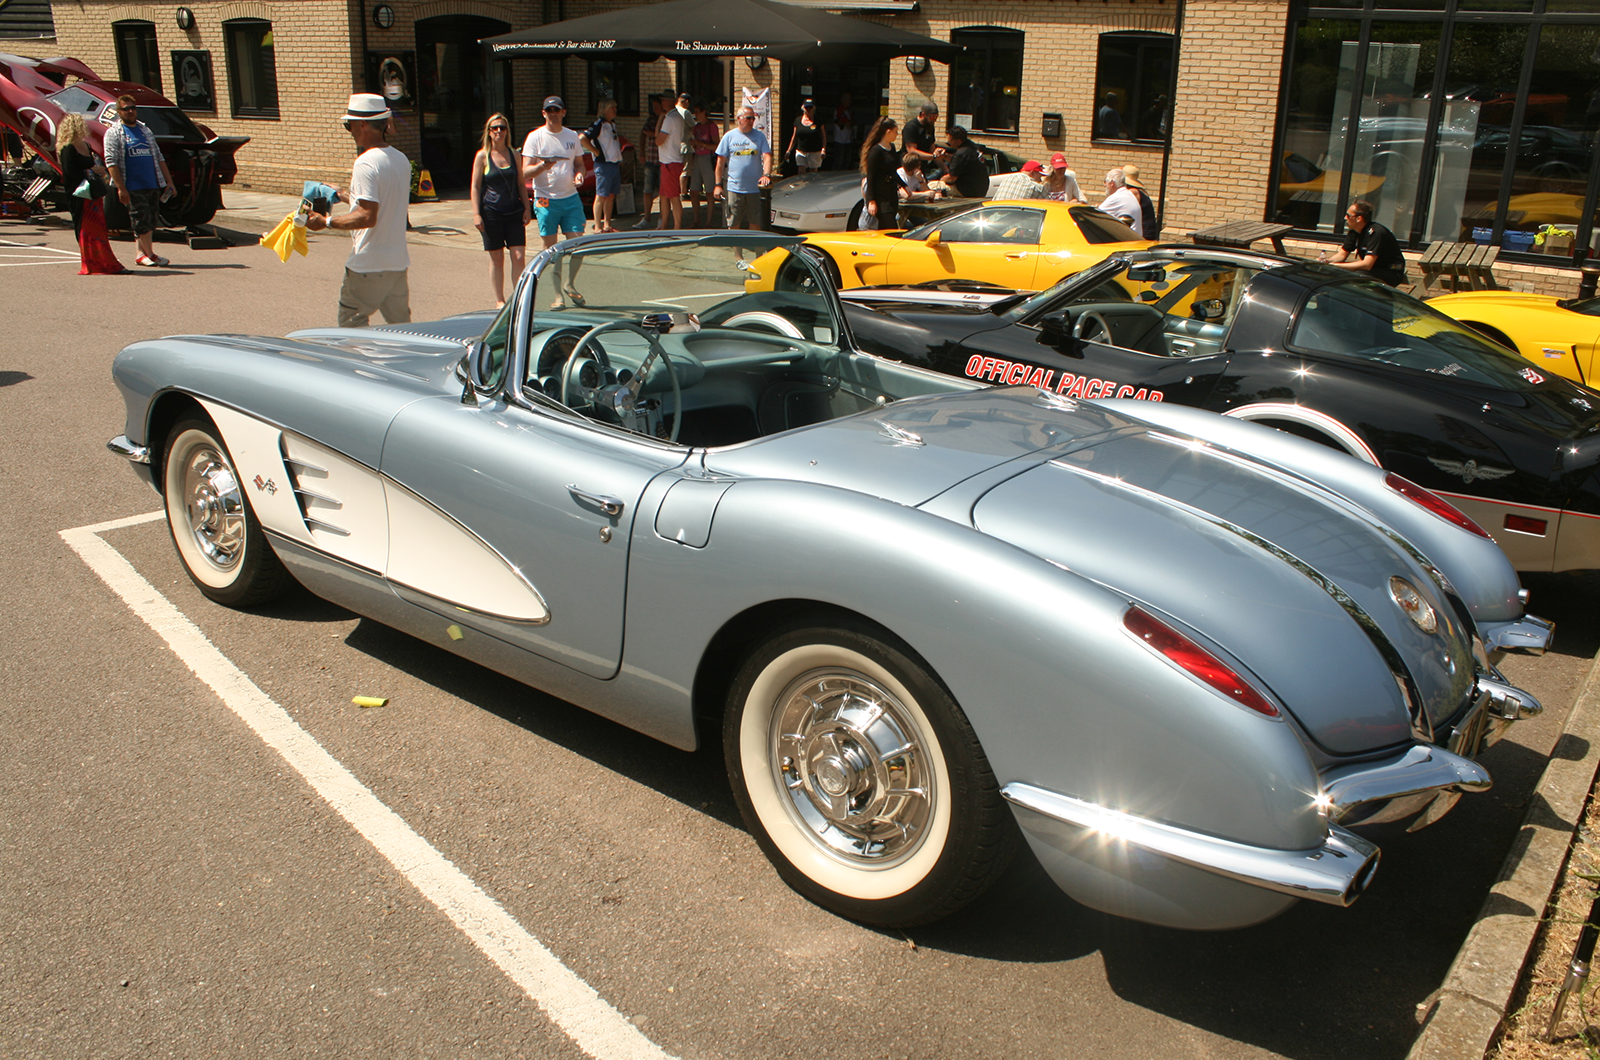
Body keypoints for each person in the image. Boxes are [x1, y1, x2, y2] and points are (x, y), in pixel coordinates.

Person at [305, 94, 412, 327]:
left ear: (362, 124)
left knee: (351, 327)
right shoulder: (400, 159)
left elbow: (367, 216)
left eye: (349, 125)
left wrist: (326, 222)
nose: (350, 131)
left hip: (368, 264)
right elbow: (382, 203)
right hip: (396, 263)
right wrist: (342, 194)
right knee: (403, 330)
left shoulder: (365, 162)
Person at [522, 96, 587, 307]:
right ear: (543, 113)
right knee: (552, 249)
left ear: (563, 112)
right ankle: (558, 296)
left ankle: (570, 284)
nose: (553, 114)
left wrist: (579, 175)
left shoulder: (572, 136)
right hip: (545, 199)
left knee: (578, 245)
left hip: (570, 198)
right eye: (549, 111)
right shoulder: (535, 137)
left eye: (556, 110)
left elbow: (580, 164)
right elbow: (525, 172)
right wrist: (543, 166)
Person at [103, 94, 176, 267]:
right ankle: (149, 254)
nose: (130, 111)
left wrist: (169, 182)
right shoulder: (114, 133)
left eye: (132, 108)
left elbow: (159, 157)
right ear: (118, 111)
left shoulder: (145, 130)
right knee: (140, 219)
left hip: (152, 182)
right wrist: (121, 188)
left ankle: (141, 254)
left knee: (150, 219)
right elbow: (111, 162)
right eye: (126, 109)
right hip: (132, 184)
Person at [470, 112, 532, 309]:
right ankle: (499, 300)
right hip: (491, 213)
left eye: (502, 128)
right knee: (497, 258)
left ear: (507, 131)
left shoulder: (514, 154)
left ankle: (518, 298)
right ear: (489, 132)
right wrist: (476, 213)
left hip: (514, 212)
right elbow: (475, 186)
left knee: (519, 256)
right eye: (495, 128)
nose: (499, 131)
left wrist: (527, 208)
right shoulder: (482, 156)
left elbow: (521, 183)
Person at [55, 113, 124, 274]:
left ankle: (104, 261)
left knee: (98, 227)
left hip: (92, 192)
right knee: (86, 227)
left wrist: (95, 170)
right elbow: (69, 173)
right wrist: (92, 170)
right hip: (79, 193)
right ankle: (92, 263)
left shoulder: (86, 145)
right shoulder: (67, 148)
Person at [1323, 200, 1409, 286]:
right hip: (1372, 270)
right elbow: (1342, 255)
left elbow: (1367, 264)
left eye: (1348, 215)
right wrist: (1326, 261)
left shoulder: (1376, 232)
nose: (1345, 218)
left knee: (1357, 275)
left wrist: (1335, 266)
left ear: (1359, 219)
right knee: (1329, 273)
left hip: (1390, 272)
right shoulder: (1354, 231)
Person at [713, 106, 772, 231]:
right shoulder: (729, 136)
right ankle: (737, 245)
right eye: (748, 118)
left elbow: (767, 156)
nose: (751, 121)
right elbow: (720, 162)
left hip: (754, 189)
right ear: (739, 118)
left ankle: (754, 244)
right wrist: (718, 185)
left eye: (753, 118)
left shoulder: (759, 136)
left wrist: (766, 175)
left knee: (756, 223)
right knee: (733, 224)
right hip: (735, 188)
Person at [580, 98, 624, 233]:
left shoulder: (613, 124)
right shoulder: (598, 124)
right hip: (604, 165)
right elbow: (582, 138)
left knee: (611, 196)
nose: (615, 110)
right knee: (601, 196)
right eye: (612, 108)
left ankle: (607, 224)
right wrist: (595, 151)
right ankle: (597, 226)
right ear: (605, 109)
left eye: (616, 107)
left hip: (614, 164)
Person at [655, 91, 688, 230]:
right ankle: (664, 224)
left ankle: (677, 227)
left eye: (665, 100)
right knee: (663, 195)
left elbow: (658, 140)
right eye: (662, 100)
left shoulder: (670, 118)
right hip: (669, 161)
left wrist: (659, 121)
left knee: (674, 196)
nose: (663, 102)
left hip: (670, 162)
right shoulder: (675, 116)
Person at [860, 116, 900, 230]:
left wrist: (905, 186)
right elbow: (871, 177)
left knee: (884, 228)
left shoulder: (892, 148)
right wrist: (871, 201)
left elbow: (893, 171)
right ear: (888, 132)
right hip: (880, 196)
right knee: (891, 228)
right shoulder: (876, 151)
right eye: (895, 132)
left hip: (891, 194)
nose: (897, 135)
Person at [684, 99, 719, 227]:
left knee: (709, 192)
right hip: (697, 158)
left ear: (704, 112)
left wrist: (701, 144)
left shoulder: (711, 126)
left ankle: (708, 221)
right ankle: (696, 219)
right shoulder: (697, 127)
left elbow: (717, 146)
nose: (696, 114)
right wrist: (694, 144)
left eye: (698, 111)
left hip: (708, 159)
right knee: (693, 191)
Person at [635, 94, 664, 229]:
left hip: (663, 161)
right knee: (647, 190)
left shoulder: (667, 120)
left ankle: (662, 219)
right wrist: (641, 152)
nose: (655, 110)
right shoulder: (651, 119)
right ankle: (646, 218)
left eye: (657, 107)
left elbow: (659, 135)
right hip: (651, 159)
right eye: (654, 107)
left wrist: (653, 134)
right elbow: (643, 133)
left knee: (663, 192)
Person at [942, 126, 989, 199]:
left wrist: (941, 179)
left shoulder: (961, 153)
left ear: (958, 141)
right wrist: (944, 156)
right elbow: (959, 160)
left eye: (950, 141)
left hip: (967, 191)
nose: (949, 143)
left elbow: (951, 178)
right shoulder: (972, 147)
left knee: (933, 186)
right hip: (980, 189)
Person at [785, 98, 826, 173]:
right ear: (803, 108)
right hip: (801, 151)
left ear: (814, 108)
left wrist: (823, 149)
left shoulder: (818, 120)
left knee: (813, 173)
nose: (808, 109)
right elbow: (794, 137)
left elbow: (823, 136)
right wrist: (788, 151)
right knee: (801, 172)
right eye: (806, 107)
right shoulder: (798, 121)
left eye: (810, 107)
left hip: (814, 152)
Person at [1098, 168, 1144, 236]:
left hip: (1127, 240)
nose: (1104, 185)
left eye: (1105, 182)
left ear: (1112, 183)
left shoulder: (1115, 197)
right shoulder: (1129, 194)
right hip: (1135, 238)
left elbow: (1095, 216)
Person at [1121, 162, 1158, 238]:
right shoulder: (1139, 191)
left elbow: (1125, 209)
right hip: (1146, 230)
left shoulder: (1133, 192)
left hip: (1144, 232)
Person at [902, 101, 941, 171]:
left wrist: (946, 169)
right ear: (923, 114)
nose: (934, 120)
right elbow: (912, 151)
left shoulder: (930, 126)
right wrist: (933, 156)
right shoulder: (911, 127)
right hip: (910, 167)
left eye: (936, 117)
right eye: (932, 117)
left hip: (922, 166)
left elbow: (932, 149)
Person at [830, 93, 855, 171]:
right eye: (848, 99)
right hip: (840, 140)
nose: (850, 101)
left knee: (847, 162)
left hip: (848, 140)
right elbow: (846, 123)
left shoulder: (849, 111)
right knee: (839, 162)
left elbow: (853, 122)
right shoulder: (839, 110)